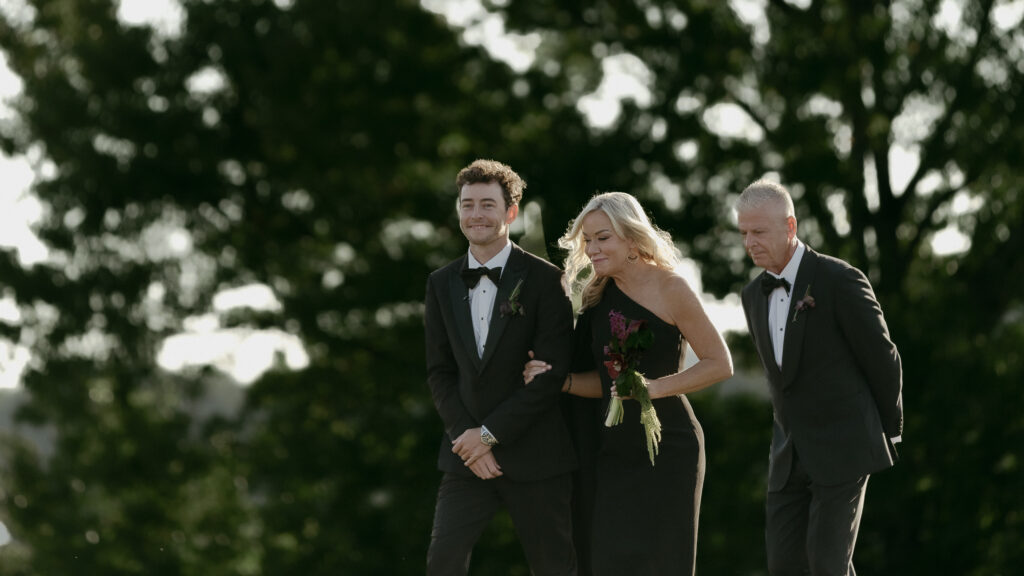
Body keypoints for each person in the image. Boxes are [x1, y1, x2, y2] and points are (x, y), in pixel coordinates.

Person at [524, 192, 733, 575]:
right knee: (606, 562)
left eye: (603, 238)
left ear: (632, 238)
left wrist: (654, 388)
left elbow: (720, 363)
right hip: (613, 453)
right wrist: (560, 380)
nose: (592, 249)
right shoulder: (597, 295)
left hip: (669, 449)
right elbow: (605, 384)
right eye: (588, 240)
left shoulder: (671, 288)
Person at [734, 179, 903, 576]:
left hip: (844, 445)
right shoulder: (752, 295)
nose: (750, 243)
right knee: (785, 566)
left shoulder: (839, 279)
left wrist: (891, 430)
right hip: (787, 454)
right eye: (743, 233)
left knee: (827, 564)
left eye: (759, 232)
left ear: (790, 226)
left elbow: (883, 358)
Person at [423, 159, 578, 575]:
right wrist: (468, 439)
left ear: (511, 212)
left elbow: (549, 375)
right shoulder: (440, 283)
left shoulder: (546, 280)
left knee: (554, 568)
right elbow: (440, 372)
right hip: (466, 456)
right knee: (443, 561)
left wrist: (489, 435)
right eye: (467, 204)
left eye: (487, 205)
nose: (476, 214)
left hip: (536, 453)